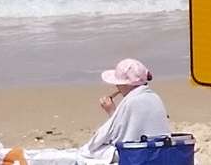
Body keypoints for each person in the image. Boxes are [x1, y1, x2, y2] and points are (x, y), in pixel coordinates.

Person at [22, 58, 170, 164]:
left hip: (135, 154)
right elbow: (129, 128)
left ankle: (27, 158)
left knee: (85, 154)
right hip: (157, 153)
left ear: (125, 84)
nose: (117, 87)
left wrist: (112, 112)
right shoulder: (153, 97)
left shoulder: (131, 101)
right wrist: (114, 112)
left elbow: (107, 136)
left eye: (118, 83)